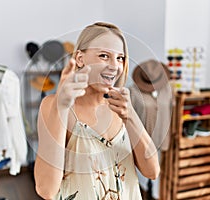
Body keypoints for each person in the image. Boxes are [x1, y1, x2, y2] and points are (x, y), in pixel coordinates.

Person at [34, 22, 160, 200]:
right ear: (79, 58)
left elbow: (152, 171)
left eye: (120, 58)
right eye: (104, 56)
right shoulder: (54, 106)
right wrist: (61, 108)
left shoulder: (120, 108)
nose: (114, 66)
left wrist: (131, 116)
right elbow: (46, 190)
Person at [130, 60, 172, 200]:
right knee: (140, 177)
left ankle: (154, 196)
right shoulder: (133, 92)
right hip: (140, 142)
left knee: (157, 176)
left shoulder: (167, 90)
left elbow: (171, 111)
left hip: (161, 139)